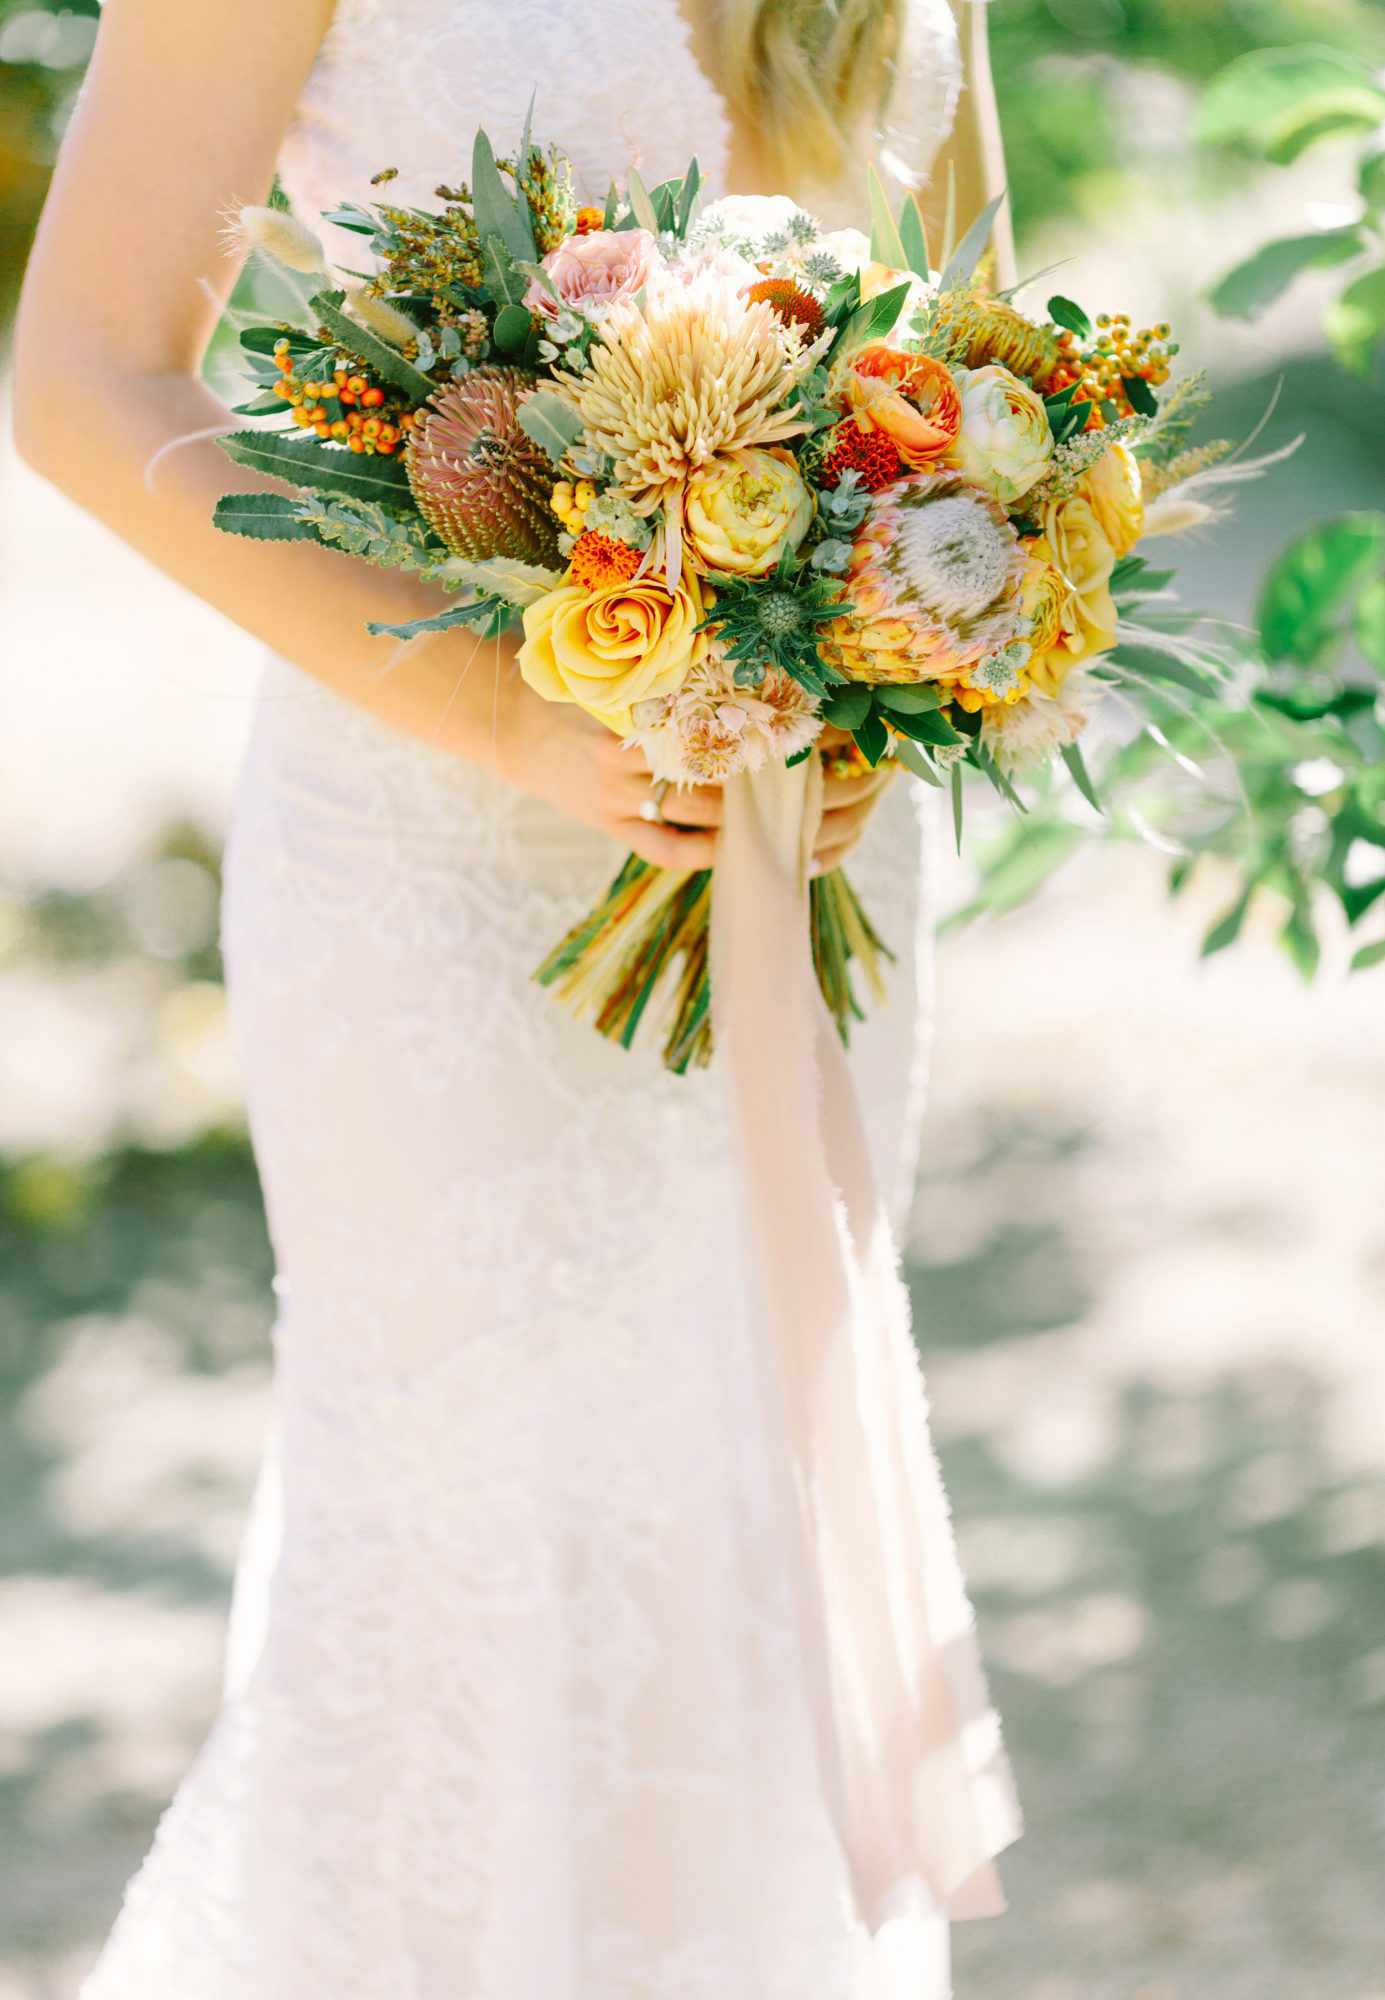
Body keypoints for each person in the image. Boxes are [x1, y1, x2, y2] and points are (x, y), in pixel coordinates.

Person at [13, 2, 1017, 1993]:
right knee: (482, 1551)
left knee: (746, 1511)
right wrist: (512, 704)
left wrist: (918, 642)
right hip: (435, 868)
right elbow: (80, 377)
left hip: (814, 839)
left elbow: (980, 331)